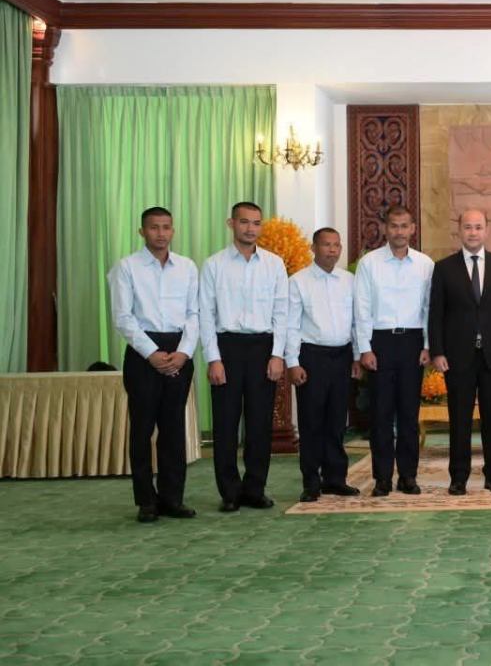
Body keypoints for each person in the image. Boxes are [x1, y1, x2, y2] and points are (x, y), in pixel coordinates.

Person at [108, 206, 199, 523]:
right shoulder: (126, 267)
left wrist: (184, 352)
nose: (161, 233)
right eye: (154, 227)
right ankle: (146, 501)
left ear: (173, 230)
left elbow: (194, 314)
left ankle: (173, 498)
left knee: (173, 429)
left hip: (179, 351)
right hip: (142, 352)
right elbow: (123, 317)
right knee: (142, 429)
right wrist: (151, 353)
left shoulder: (187, 267)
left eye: (166, 227)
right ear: (142, 231)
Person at [199, 201, 289, 513]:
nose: (250, 228)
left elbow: (282, 312)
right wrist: (213, 358)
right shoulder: (214, 265)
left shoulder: (274, 264)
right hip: (227, 348)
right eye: (244, 222)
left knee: (259, 424)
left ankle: (255, 489)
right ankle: (229, 492)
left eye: (256, 223)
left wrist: (277, 355)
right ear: (231, 224)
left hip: (263, 348)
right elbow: (206, 315)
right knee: (225, 424)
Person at [428, 209, 491, 496]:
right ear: (459, 230)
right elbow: (436, 313)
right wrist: (437, 351)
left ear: (486, 231)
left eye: (478, 227)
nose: (473, 232)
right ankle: (458, 477)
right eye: (468, 227)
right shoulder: (444, 268)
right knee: (459, 419)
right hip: (457, 356)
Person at [354, 205, 433, 498]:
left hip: (413, 343)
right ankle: (383, 478)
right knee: (381, 415)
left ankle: (408, 476)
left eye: (404, 226)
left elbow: (429, 308)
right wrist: (364, 348)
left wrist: (428, 345)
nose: (399, 231)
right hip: (380, 343)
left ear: (413, 229)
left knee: (410, 415)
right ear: (385, 228)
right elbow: (361, 308)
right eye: (394, 226)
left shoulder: (425, 264)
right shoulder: (369, 263)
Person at [284, 227, 362, 503]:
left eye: (336, 245)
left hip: (342, 356)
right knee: (311, 421)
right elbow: (291, 325)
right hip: (311, 357)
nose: (332, 250)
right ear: (313, 248)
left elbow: (357, 321)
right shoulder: (298, 281)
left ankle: (335, 479)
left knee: (337, 421)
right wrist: (292, 362)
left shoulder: (349, 281)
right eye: (326, 244)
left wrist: (357, 356)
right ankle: (311, 482)